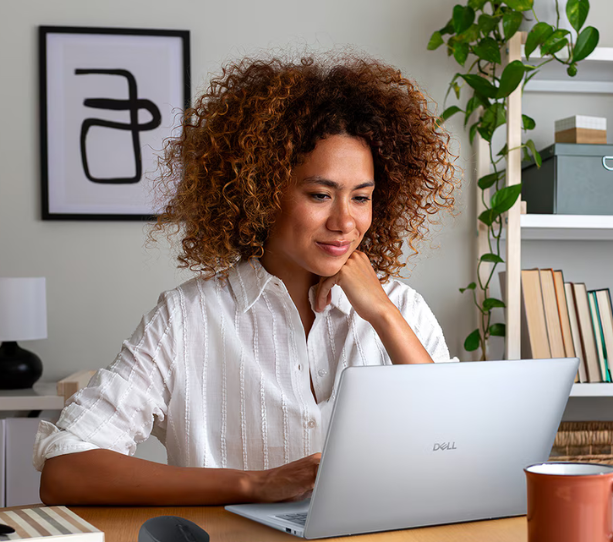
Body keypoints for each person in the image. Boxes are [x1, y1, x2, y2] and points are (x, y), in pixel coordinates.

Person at [34, 50, 459, 507]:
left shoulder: (401, 307)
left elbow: (459, 454)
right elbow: (66, 469)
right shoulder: (188, 317)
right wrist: (252, 484)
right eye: (320, 194)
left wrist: (382, 314)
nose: (345, 222)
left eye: (361, 197)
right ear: (261, 190)